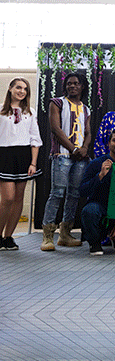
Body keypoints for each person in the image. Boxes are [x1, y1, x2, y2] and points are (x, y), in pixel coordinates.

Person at [41, 73, 91, 251]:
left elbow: (88, 132)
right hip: (62, 155)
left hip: (80, 158)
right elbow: (55, 128)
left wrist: (84, 148)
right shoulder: (57, 103)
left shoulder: (86, 108)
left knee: (74, 194)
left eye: (76, 83)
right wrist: (73, 149)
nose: (72, 86)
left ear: (82, 86)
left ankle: (65, 234)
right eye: (69, 83)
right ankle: (47, 236)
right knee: (57, 193)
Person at [0, 78, 42, 251]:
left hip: (24, 156)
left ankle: (9, 236)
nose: (22, 91)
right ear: (10, 88)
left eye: (25, 89)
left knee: (18, 198)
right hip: (5, 154)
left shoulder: (30, 112)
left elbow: (35, 140)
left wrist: (33, 163)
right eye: (18, 87)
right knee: (7, 198)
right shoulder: (1, 112)